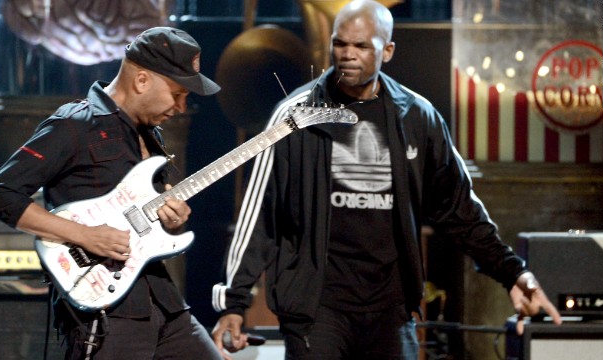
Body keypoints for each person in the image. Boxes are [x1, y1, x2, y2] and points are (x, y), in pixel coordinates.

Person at [210, 1, 562, 359]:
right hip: (317, 311)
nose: (347, 55)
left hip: (390, 311)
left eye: (361, 46)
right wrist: (233, 303)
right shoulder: (295, 115)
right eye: (340, 44)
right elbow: (260, 214)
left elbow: (460, 209)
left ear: (388, 50)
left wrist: (513, 274)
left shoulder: (417, 117)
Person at [0, 27, 223, 360]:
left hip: (165, 303)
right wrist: (85, 235)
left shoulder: (154, 137)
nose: (182, 106)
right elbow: (0, 195)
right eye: (178, 93)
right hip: (106, 313)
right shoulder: (75, 125)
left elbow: (148, 226)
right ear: (141, 81)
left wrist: (172, 221)